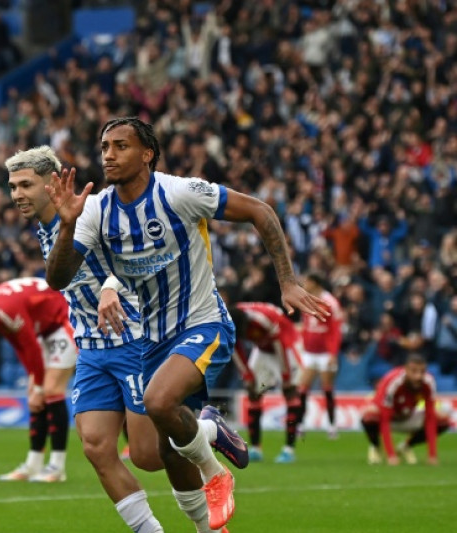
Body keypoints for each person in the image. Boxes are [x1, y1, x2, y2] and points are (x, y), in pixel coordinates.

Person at [45, 118, 329, 530]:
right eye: (104, 146)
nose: (109, 154)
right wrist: (68, 224)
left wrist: (286, 282)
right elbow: (58, 278)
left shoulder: (180, 192)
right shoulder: (96, 210)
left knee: (160, 402)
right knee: (167, 452)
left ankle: (216, 473)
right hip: (152, 341)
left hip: (204, 323)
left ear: (147, 154)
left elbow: (260, 211)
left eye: (121, 146)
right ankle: (208, 481)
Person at [4, 145, 248, 533]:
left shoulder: (96, 211)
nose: (16, 194)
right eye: (12, 186)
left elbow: (141, 251)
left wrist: (111, 287)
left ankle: (209, 429)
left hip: (133, 337)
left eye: (25, 185)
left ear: (53, 182)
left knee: (150, 456)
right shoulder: (48, 226)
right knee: (96, 447)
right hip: (91, 347)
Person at [0, 277, 76, 484]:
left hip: (63, 321)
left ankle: (57, 466)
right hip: (45, 330)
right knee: (35, 396)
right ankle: (33, 464)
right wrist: (33, 382)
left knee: (51, 390)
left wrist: (38, 386)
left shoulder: (4, 310)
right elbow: (19, 346)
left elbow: (30, 347)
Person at [229, 302, 303, 463]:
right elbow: (234, 347)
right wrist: (247, 376)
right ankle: (256, 449)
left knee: (290, 393)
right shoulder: (227, 320)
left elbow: (280, 344)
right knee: (254, 394)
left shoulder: (261, 320)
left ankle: (289, 450)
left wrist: (286, 377)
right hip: (263, 349)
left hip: (286, 346)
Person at [361, 353, 448, 466]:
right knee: (369, 415)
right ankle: (376, 447)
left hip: (408, 416)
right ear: (405, 370)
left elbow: (430, 417)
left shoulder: (428, 382)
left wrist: (432, 455)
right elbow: (384, 419)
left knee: (443, 420)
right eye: (414, 371)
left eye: (422, 372)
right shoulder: (393, 381)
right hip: (387, 418)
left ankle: (405, 446)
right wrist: (391, 456)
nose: (418, 376)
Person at [296, 273, 344, 439]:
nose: (304, 283)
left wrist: (333, 353)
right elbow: (307, 324)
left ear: (315, 283)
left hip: (325, 353)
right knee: (302, 389)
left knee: (327, 389)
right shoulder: (305, 299)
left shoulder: (330, 302)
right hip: (309, 352)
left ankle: (331, 426)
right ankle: (300, 425)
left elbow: (335, 329)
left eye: (307, 281)